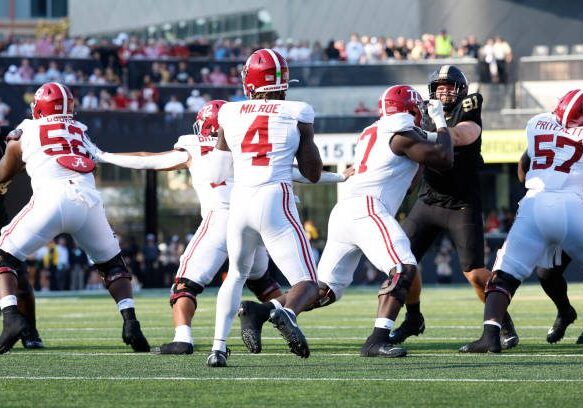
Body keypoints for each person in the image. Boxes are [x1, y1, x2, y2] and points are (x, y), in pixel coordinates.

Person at [97, 99, 349, 354]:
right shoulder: (244, 145)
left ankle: (186, 338)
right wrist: (339, 176)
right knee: (264, 284)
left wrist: (103, 156)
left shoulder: (194, 147)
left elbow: (147, 161)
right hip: (258, 217)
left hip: (221, 221)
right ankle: (274, 313)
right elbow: (297, 172)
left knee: (186, 284)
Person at [0, 82, 150, 354]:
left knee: (4, 256)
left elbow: (5, 173)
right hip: (88, 201)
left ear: (38, 107)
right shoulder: (79, 131)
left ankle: (10, 317)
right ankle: (131, 323)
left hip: (51, 199)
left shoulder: (27, 129)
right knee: (113, 265)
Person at [206, 48, 323, 367]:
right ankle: (285, 313)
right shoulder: (298, 111)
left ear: (250, 83)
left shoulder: (228, 113)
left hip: (241, 201)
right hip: (276, 199)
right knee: (309, 283)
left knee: (236, 275)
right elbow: (312, 174)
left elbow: (216, 174)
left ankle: (217, 348)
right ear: (283, 84)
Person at [391, 65, 519, 349]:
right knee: (402, 262)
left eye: (450, 86)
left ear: (461, 89)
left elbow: (461, 136)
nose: (444, 91)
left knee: (474, 273)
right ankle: (413, 318)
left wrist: (430, 127)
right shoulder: (422, 112)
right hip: (428, 200)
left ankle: (501, 323)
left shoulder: (469, 107)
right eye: (439, 86)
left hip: (461, 203)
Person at [460, 89, 583, 353]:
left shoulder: (538, 122)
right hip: (574, 205)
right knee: (546, 273)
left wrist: (531, 184)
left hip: (535, 202)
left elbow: (525, 163)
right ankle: (564, 312)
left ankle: (490, 336)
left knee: (504, 274)